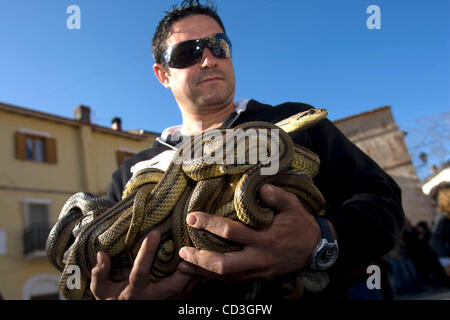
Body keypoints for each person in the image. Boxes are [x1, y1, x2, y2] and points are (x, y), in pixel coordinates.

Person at [90, 0, 404, 300]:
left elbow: (383, 202)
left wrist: (321, 237)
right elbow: (101, 264)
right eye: (188, 52)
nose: (209, 59)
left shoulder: (291, 121)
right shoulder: (132, 172)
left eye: (219, 46)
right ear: (163, 74)